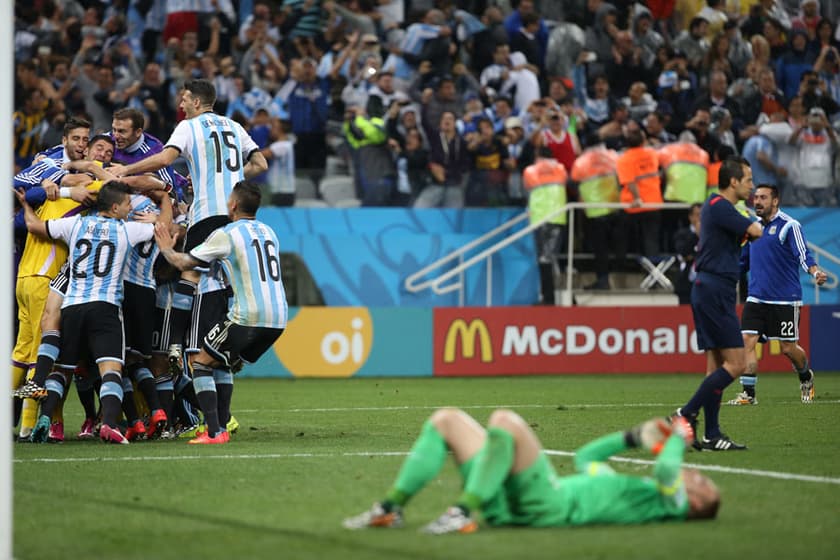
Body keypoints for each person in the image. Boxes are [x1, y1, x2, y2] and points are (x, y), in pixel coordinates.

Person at [343, 407, 714, 533]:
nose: (696, 476)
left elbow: (667, 473)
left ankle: (462, 511)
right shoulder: (628, 494)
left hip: (547, 504)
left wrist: (679, 439)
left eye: (702, 484)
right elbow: (587, 459)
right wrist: (632, 437)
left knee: (505, 421)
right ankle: (390, 509)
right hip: (518, 502)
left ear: (694, 504)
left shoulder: (671, 506)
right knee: (446, 420)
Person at [112, 79, 268, 374]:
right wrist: (234, 175)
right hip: (235, 215)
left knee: (190, 274)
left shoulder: (189, 126)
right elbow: (260, 164)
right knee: (228, 283)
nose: (180, 105)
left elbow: (165, 158)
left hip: (207, 211)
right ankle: (230, 349)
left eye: (184, 99)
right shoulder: (235, 126)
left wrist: (125, 170)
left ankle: (173, 342)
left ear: (197, 102)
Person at [15, 181, 171, 444]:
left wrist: (26, 206)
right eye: (126, 204)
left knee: (62, 371)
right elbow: (165, 227)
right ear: (114, 207)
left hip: (73, 306)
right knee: (111, 369)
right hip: (105, 307)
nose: (130, 208)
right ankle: (109, 424)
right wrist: (164, 205)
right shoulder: (127, 230)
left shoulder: (75, 224)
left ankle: (45, 419)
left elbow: (34, 226)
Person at [153, 181, 287, 444]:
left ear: (234, 205)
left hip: (248, 315)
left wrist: (166, 248)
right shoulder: (269, 232)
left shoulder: (226, 233)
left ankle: (215, 431)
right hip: (279, 317)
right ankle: (221, 424)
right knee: (222, 362)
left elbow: (185, 262)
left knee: (200, 363)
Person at [674, 157, 763, 451]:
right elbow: (756, 232)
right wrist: (757, 218)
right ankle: (685, 414)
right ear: (733, 181)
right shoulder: (720, 206)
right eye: (748, 180)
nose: (752, 185)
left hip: (711, 288)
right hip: (715, 290)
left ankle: (712, 434)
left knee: (715, 368)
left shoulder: (718, 209)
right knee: (738, 363)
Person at [729, 184, 828, 405]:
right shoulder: (753, 228)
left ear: (775, 201)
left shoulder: (789, 226)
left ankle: (805, 376)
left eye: (763, 198)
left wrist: (815, 271)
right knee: (746, 341)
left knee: (788, 348)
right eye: (755, 198)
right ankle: (748, 394)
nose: (757, 202)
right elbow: (743, 261)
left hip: (785, 299)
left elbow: (803, 254)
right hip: (756, 297)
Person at [522, 147, 568, 305]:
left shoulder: (530, 171)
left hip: (540, 218)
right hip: (559, 217)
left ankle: (549, 299)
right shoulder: (561, 169)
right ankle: (556, 296)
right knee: (551, 259)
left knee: (544, 260)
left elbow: (526, 189)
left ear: (537, 155)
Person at [673, 203, 702, 305]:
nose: (701, 218)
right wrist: (696, 235)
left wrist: (692, 256)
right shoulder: (682, 233)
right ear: (690, 217)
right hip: (686, 283)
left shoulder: (712, 234)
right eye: (698, 215)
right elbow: (682, 252)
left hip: (706, 284)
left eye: (703, 215)